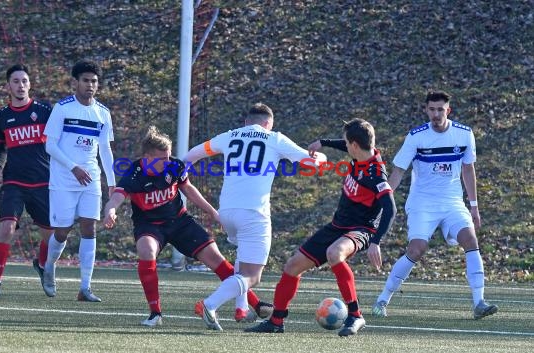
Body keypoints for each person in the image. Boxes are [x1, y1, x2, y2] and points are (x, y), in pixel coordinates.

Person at [102, 126, 273, 328]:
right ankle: (155, 313)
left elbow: (188, 189)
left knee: (216, 258)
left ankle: (256, 303)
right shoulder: (134, 173)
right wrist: (110, 211)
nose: (168, 162)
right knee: (146, 250)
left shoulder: (174, 165)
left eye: (168, 157)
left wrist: (213, 213)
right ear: (147, 157)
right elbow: (117, 197)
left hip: (180, 221)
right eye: (162, 159)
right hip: (149, 225)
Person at [246, 118, 396, 336]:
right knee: (292, 266)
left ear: (354, 145)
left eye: (346, 143)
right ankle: (276, 321)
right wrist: (323, 142)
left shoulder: (376, 174)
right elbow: (344, 143)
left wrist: (375, 242)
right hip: (337, 226)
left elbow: (390, 209)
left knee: (335, 253)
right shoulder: (360, 153)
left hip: (361, 230)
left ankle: (355, 315)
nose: (344, 145)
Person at [184, 103, 327, 331]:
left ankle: (241, 309)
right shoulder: (274, 138)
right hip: (253, 213)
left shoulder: (229, 136)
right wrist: (321, 156)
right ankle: (209, 304)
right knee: (253, 276)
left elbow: (191, 155)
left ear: (246, 122)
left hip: (227, 211)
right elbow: (310, 161)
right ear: (268, 123)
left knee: (243, 255)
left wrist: (180, 171)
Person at [371, 90, 498, 320]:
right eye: (432, 109)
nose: (436, 114)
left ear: (448, 110)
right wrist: (383, 200)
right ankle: (382, 299)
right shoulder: (416, 136)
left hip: (452, 203)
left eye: (440, 109)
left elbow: (468, 170)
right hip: (423, 203)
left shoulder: (464, 134)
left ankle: (479, 302)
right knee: (416, 250)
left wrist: (474, 206)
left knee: (470, 240)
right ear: (426, 110)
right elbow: (399, 171)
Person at [41, 60, 116, 302]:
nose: (90, 85)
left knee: (89, 226)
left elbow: (105, 149)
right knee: (62, 230)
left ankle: (85, 287)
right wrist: (73, 168)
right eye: (85, 80)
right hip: (64, 179)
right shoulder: (62, 108)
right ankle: (49, 266)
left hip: (91, 179)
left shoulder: (102, 113)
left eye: (94, 81)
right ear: (75, 82)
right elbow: (50, 145)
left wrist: (112, 183)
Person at [0, 64, 55, 297]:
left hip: (43, 182)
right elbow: (0, 146)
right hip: (14, 182)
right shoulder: (1, 116)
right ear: (8, 86)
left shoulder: (46, 111)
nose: (20, 85)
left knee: (52, 236)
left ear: (30, 84)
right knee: (7, 227)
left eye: (24, 80)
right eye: (15, 81)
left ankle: (41, 263)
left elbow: (59, 141)